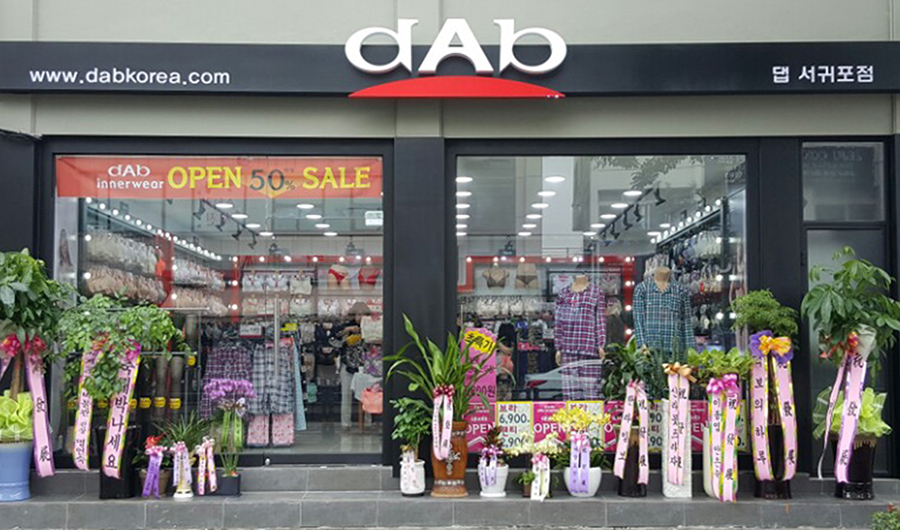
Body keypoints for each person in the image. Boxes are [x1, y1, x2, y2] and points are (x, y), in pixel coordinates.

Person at [334, 301, 371, 430]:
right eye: (358, 314)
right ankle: (345, 423)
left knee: (367, 395)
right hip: (347, 364)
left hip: (365, 365)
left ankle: (367, 422)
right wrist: (348, 330)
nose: (360, 317)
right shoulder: (346, 326)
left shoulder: (370, 328)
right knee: (346, 395)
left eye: (363, 314)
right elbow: (335, 340)